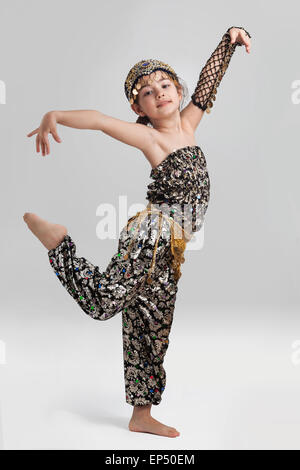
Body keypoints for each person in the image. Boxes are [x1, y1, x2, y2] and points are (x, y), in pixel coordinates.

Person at [23, 26, 251, 438]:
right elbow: (98, 121)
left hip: (173, 250)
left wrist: (229, 39)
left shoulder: (189, 123)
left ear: (178, 92)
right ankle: (58, 243)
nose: (159, 92)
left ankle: (140, 414)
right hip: (152, 235)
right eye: (148, 92)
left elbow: (209, 81)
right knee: (103, 302)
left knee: (151, 323)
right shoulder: (149, 137)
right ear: (139, 107)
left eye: (165, 84)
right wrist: (55, 115)